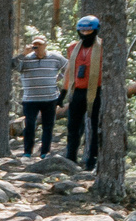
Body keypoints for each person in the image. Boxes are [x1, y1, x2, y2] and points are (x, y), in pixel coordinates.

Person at [13, 35, 65, 156]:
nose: (37, 47)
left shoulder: (55, 57)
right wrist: (23, 54)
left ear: (45, 45)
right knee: (30, 125)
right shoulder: (26, 58)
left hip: (50, 98)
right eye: (35, 45)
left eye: (40, 44)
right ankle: (27, 152)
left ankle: (44, 152)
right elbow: (14, 66)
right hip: (30, 99)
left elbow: (67, 67)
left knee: (48, 126)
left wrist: (58, 78)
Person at [64, 15, 103, 169]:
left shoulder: (103, 47)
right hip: (77, 92)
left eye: (89, 32)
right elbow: (69, 71)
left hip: (96, 92)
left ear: (95, 31)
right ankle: (70, 160)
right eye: (82, 32)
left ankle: (92, 162)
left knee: (95, 128)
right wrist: (63, 91)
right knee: (73, 128)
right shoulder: (72, 48)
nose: (85, 34)